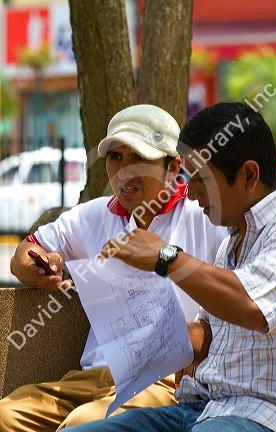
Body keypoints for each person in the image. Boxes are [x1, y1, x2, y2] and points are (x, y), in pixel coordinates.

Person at [64, 102, 276, 432]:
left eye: (202, 179)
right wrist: (147, 336)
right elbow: (213, 333)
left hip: (259, 413)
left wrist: (166, 258)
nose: (193, 193)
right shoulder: (234, 239)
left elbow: (251, 307)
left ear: (249, 174)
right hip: (200, 406)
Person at [1, 104, 225, 432]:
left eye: (138, 158)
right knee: (7, 414)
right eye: (115, 157)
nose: (124, 171)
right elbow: (24, 253)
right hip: (88, 378)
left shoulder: (202, 217)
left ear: (173, 166)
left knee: (82, 424)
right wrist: (40, 269)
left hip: (160, 383)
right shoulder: (91, 216)